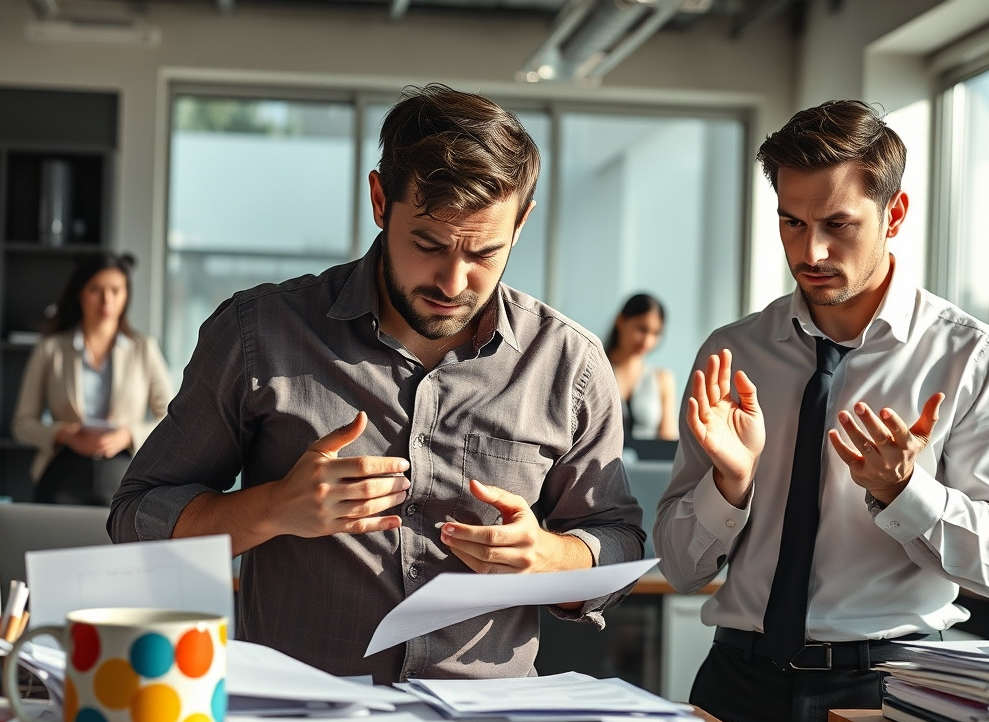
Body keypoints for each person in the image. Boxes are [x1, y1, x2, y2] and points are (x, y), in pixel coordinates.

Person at [110, 84, 644, 685]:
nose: (453, 280)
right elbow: (136, 521)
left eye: (485, 254)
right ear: (380, 199)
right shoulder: (257, 333)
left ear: (520, 223)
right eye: (428, 244)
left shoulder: (568, 366)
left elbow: (618, 543)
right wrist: (275, 509)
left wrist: (548, 558)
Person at [654, 100, 989, 722]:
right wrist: (729, 486)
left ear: (894, 215)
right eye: (791, 223)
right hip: (737, 687)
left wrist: (905, 492)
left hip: (893, 697)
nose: (811, 253)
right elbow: (681, 570)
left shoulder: (969, 359)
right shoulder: (732, 353)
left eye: (838, 225)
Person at [12, 251, 171, 506]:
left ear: (126, 295)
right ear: (80, 293)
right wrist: (64, 434)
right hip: (61, 476)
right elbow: (22, 424)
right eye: (96, 290)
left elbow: (172, 418)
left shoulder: (144, 349)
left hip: (124, 475)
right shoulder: (50, 349)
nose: (107, 300)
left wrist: (129, 435)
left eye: (116, 290)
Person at [606, 293, 678, 442]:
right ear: (621, 321)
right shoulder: (595, 371)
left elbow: (668, 440)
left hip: (648, 464)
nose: (647, 341)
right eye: (641, 329)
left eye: (655, 333)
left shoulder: (662, 379)